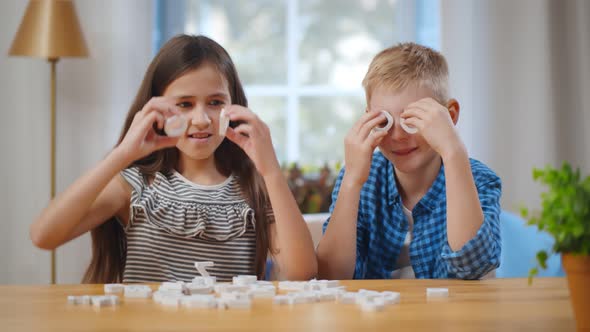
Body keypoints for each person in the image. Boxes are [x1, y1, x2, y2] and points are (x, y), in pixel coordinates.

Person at [30, 35, 317, 283]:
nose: (201, 119)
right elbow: (45, 235)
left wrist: (271, 171)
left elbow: (301, 272)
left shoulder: (253, 187)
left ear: (235, 106)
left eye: (216, 103)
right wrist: (122, 154)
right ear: (156, 108)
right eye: (184, 104)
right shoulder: (136, 186)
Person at [317, 42, 501, 280]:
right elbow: (331, 276)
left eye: (412, 120)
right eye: (384, 122)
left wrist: (453, 150)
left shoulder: (479, 180)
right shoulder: (363, 179)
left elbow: (473, 267)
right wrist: (352, 179)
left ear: (450, 116)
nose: (398, 136)